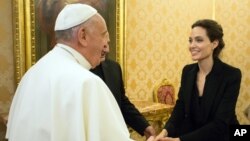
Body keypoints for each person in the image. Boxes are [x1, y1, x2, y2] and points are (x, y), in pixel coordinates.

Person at [6, 3, 154, 141]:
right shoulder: (86, 82)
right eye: (103, 35)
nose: (107, 47)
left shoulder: (31, 74)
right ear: (83, 36)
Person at [155, 19, 242, 141]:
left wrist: (180, 140)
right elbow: (180, 108)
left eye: (199, 40)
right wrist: (165, 131)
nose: (192, 45)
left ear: (214, 43)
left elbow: (220, 123)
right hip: (191, 135)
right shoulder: (187, 71)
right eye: (190, 40)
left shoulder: (231, 75)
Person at [90, 54, 156, 138]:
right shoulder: (75, 71)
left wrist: (144, 126)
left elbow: (123, 103)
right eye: (101, 40)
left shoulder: (114, 67)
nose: (107, 48)